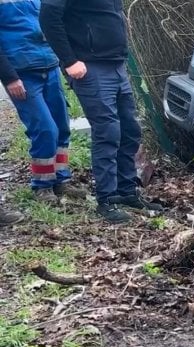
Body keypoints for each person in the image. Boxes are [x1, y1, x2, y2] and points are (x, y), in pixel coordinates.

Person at [40, 0, 163, 224]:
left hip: (116, 64)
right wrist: (69, 60)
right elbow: (48, 17)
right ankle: (106, 199)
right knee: (107, 132)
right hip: (89, 67)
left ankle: (126, 192)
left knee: (130, 130)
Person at [0, 0, 86, 218]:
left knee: (62, 126)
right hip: (21, 74)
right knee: (45, 129)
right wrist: (9, 78)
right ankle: (42, 185)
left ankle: (62, 180)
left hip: (49, 66)